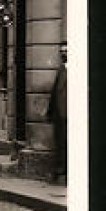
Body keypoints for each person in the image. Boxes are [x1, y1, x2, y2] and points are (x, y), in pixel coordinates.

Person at [46, 41, 67, 183]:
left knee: (67, 143)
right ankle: (60, 171)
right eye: (62, 51)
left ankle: (64, 172)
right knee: (60, 143)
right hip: (60, 114)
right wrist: (50, 112)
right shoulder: (61, 69)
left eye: (66, 51)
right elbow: (55, 93)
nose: (64, 53)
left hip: (70, 114)